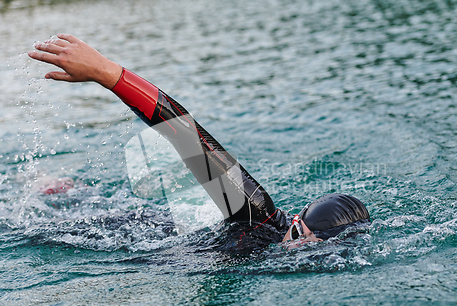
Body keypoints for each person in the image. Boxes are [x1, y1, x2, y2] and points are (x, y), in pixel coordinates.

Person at [28, 34, 370, 253]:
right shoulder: (256, 212)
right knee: (50, 224)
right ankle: (59, 190)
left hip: (180, 240)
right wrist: (107, 72)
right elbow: (185, 133)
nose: (298, 253)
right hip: (144, 231)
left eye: (316, 252)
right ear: (293, 222)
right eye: (298, 240)